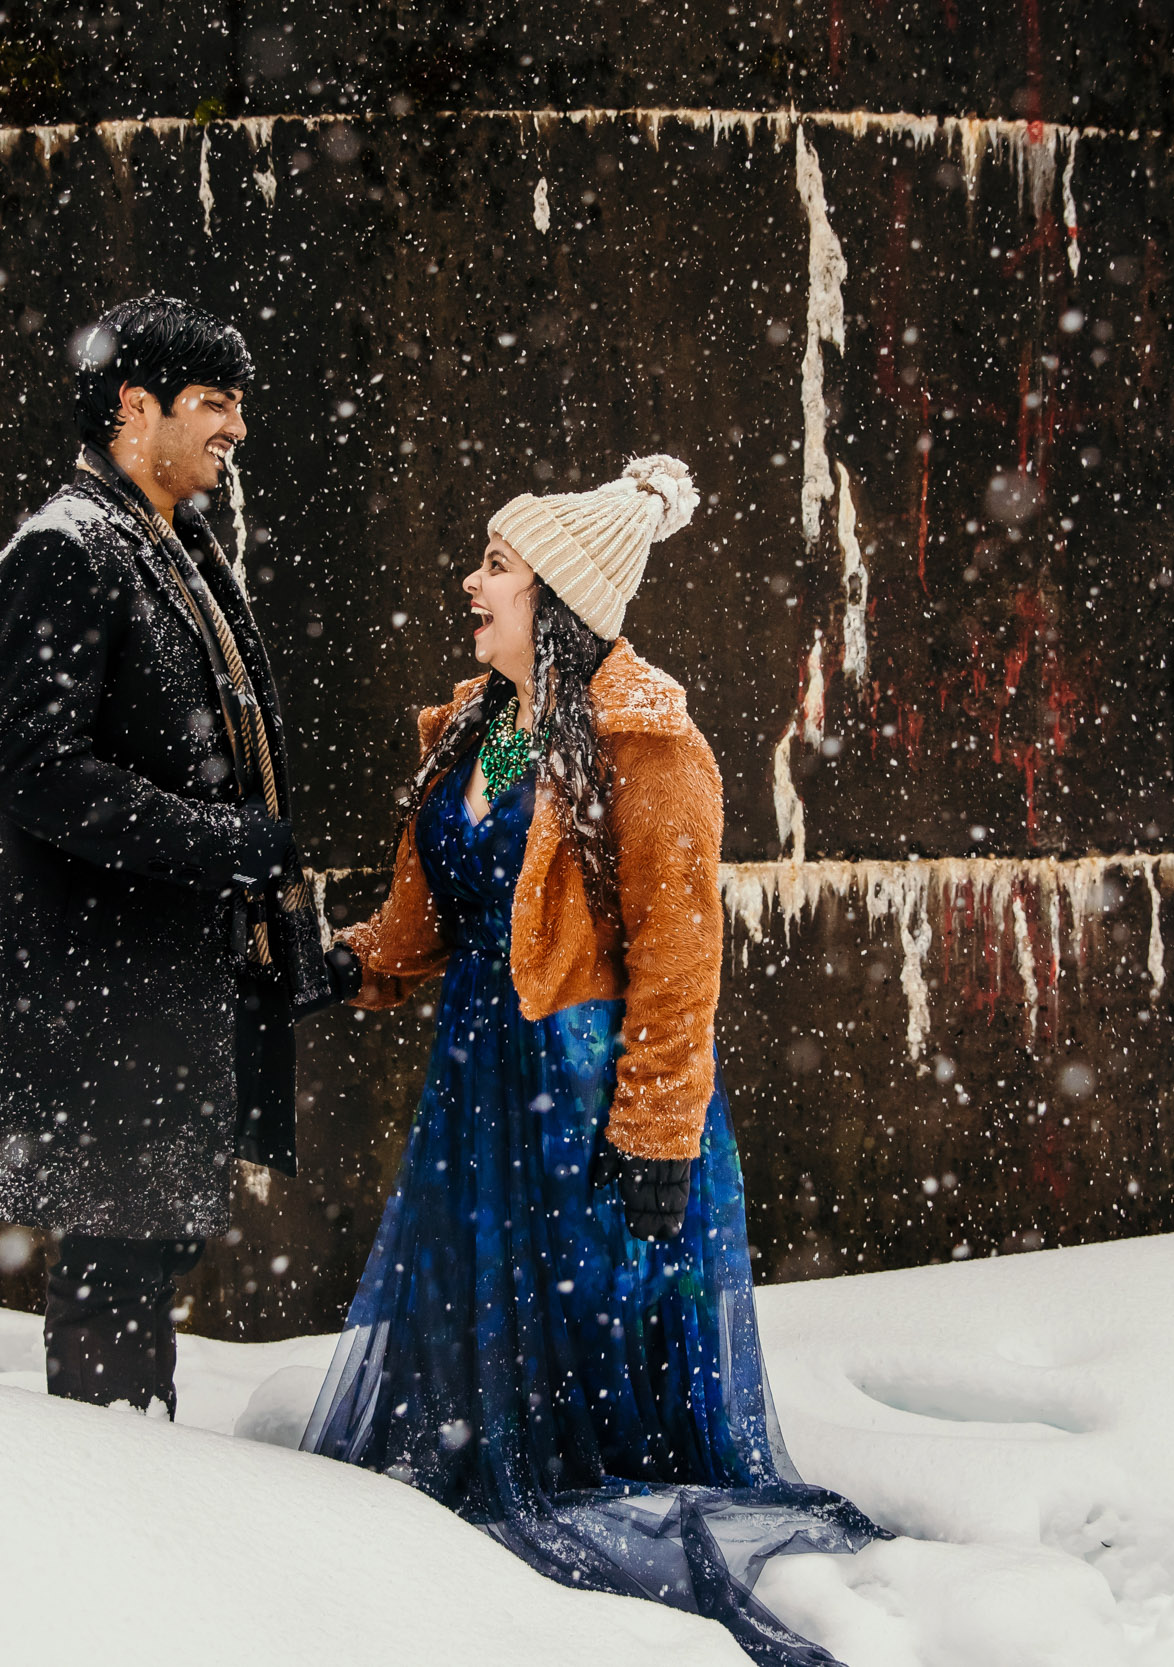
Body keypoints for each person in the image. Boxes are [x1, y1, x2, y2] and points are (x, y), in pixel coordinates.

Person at [302, 457, 884, 1665]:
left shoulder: (652, 752)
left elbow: (681, 964)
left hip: (586, 1092)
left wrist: (658, 1133)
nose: (471, 581)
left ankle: (596, 1611)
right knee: (491, 1344)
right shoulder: (477, 727)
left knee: (589, 1350)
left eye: (498, 566)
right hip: (481, 1089)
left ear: (558, 598)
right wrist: (342, 964)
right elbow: (425, 922)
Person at [0, 294, 359, 1417]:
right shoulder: (68, 549)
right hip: (109, 990)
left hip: (159, 982)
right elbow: (31, 767)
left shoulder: (167, 541)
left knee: (147, 1250)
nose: (235, 428)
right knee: (116, 1263)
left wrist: (283, 935)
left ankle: (131, 1479)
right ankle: (110, 1498)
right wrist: (218, 844)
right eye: (212, 404)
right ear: (134, 408)